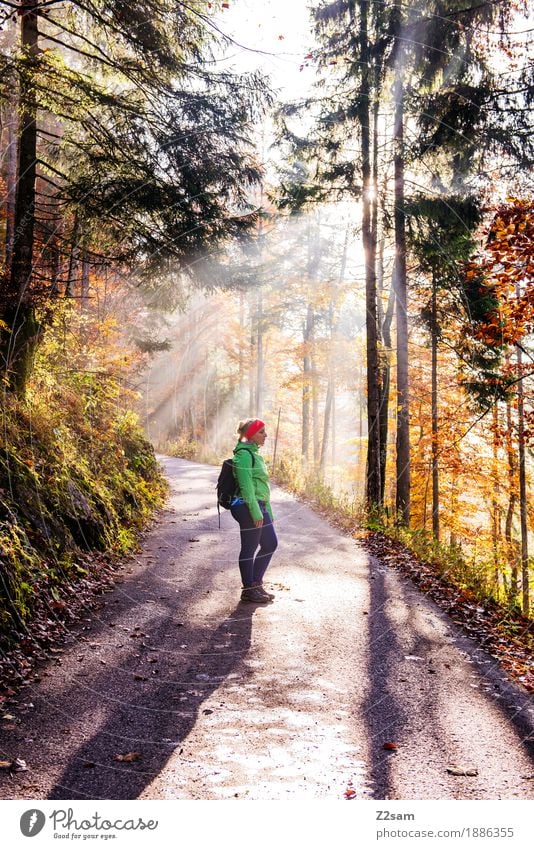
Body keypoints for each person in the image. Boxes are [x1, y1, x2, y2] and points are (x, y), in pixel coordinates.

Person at [230, 418, 278, 604]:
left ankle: (255, 584)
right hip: (247, 506)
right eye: (261, 432)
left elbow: (261, 486)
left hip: (259, 505)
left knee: (270, 543)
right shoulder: (243, 455)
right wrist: (256, 512)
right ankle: (249, 589)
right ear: (250, 434)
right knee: (249, 548)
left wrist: (268, 511)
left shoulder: (255, 454)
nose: (265, 435)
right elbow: (246, 486)